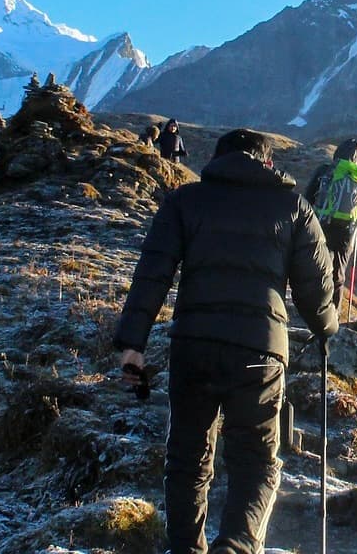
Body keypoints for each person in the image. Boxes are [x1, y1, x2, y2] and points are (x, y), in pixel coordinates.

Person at [114, 128, 339, 554]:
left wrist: (133, 344)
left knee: (187, 458)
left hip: (193, 345)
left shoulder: (185, 201)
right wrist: (327, 327)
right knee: (255, 461)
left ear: (219, 160)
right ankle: (235, 545)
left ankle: (185, 547)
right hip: (260, 352)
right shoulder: (294, 207)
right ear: (268, 163)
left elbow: (152, 274)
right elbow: (315, 292)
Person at [303, 139, 357, 307]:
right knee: (338, 274)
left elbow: (307, 198)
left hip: (321, 226)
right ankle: (333, 315)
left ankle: (313, 309)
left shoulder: (324, 170)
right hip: (346, 233)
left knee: (317, 267)